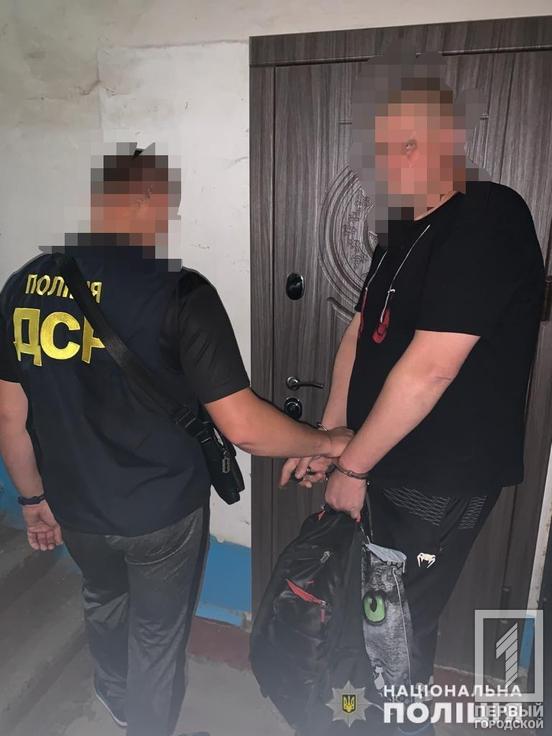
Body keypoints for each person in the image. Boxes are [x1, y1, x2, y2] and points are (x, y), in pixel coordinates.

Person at [0, 145, 351, 736]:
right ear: (143, 197)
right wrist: (328, 441)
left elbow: (9, 416)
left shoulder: (23, 286)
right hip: (161, 512)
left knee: (103, 598)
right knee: (157, 634)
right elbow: (243, 425)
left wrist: (32, 500)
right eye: (168, 205)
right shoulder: (180, 292)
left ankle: (114, 695)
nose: (169, 220)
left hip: (75, 505)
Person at [281, 79, 545, 733]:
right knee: (367, 619)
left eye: (391, 147)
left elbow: (430, 369)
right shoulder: (402, 231)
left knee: (393, 637)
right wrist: (331, 437)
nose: (378, 166)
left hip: (436, 479)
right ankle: (357, 719)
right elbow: (358, 332)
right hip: (382, 461)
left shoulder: (489, 216)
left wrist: (352, 466)